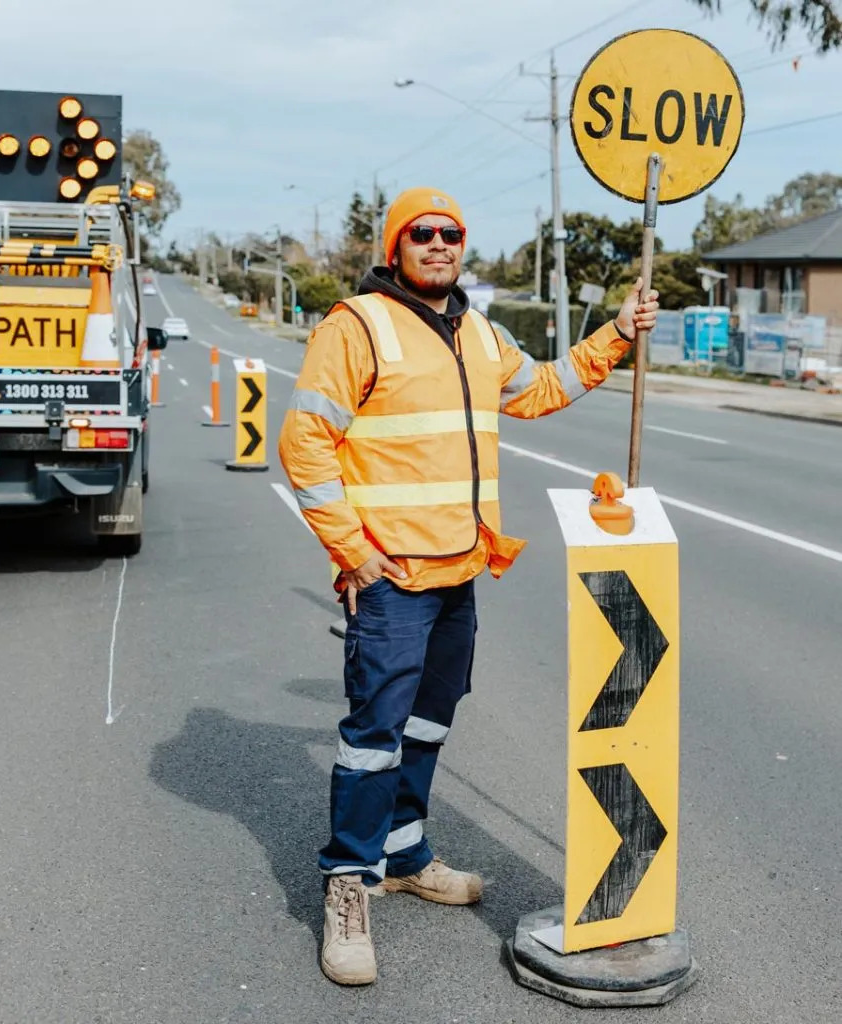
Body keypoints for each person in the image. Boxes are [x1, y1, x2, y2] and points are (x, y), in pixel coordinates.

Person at [278, 187, 658, 986]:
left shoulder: (478, 333)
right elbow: (305, 442)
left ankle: (407, 851)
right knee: (371, 737)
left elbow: (541, 390)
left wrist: (617, 335)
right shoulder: (358, 326)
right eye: (423, 234)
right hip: (389, 579)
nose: (440, 245)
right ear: (396, 247)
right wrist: (353, 550)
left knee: (427, 725)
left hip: (459, 571)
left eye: (452, 234)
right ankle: (349, 887)